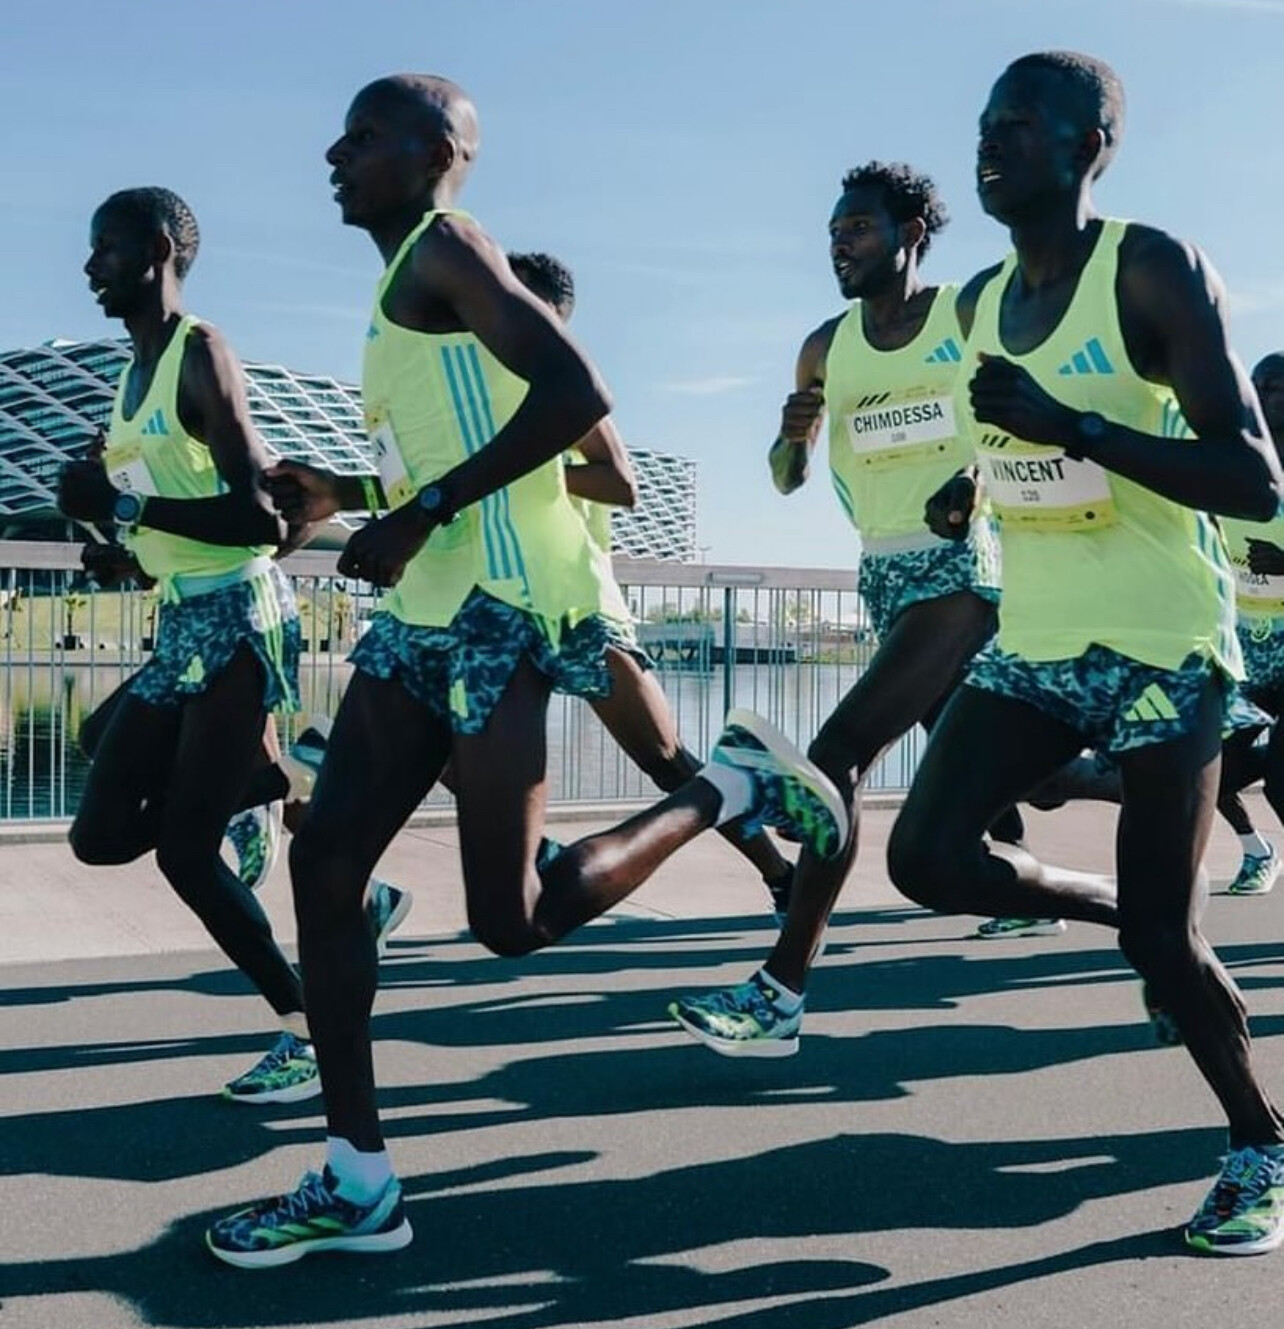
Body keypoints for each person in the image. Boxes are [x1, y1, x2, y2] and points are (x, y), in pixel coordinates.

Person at [204, 73, 846, 1268]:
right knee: (325, 861)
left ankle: (729, 790)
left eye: (363, 135)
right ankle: (358, 1180)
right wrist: (356, 494)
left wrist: (424, 509)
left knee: (511, 920)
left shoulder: (448, 248)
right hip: (426, 615)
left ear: (439, 153)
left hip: (499, 611)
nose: (334, 153)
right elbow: (458, 448)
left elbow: (578, 396)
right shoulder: (401, 286)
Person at [883, 51, 1284, 1255]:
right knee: (926, 857)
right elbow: (1006, 436)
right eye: (982, 123)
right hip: (1042, 638)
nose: (988, 142)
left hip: (1165, 643)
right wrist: (971, 486)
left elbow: (1253, 479)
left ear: (1088, 145)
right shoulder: (974, 303)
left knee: (1172, 940)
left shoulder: (1152, 269)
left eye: (1017, 124)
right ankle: (1116, 909)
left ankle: (1260, 1146)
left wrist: (1082, 428)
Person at [668, 160, 1030, 1057]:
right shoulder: (825, 347)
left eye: (859, 228)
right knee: (1028, 775)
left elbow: (1018, 416)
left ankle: (780, 989)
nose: (840, 244)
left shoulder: (963, 315)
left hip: (964, 567)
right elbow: (786, 479)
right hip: (882, 573)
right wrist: (791, 439)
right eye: (834, 232)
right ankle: (1154, 842)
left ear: (912, 234)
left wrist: (977, 477)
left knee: (834, 758)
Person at [58, 187, 320, 1105]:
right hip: (184, 619)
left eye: (106, 247)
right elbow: (172, 516)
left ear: (161, 249)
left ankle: (307, 1031)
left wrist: (123, 503)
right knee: (97, 832)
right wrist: (123, 551)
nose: (89, 265)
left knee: (182, 852)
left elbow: (258, 519)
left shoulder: (200, 353)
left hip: (242, 620)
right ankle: (271, 781)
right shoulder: (130, 377)